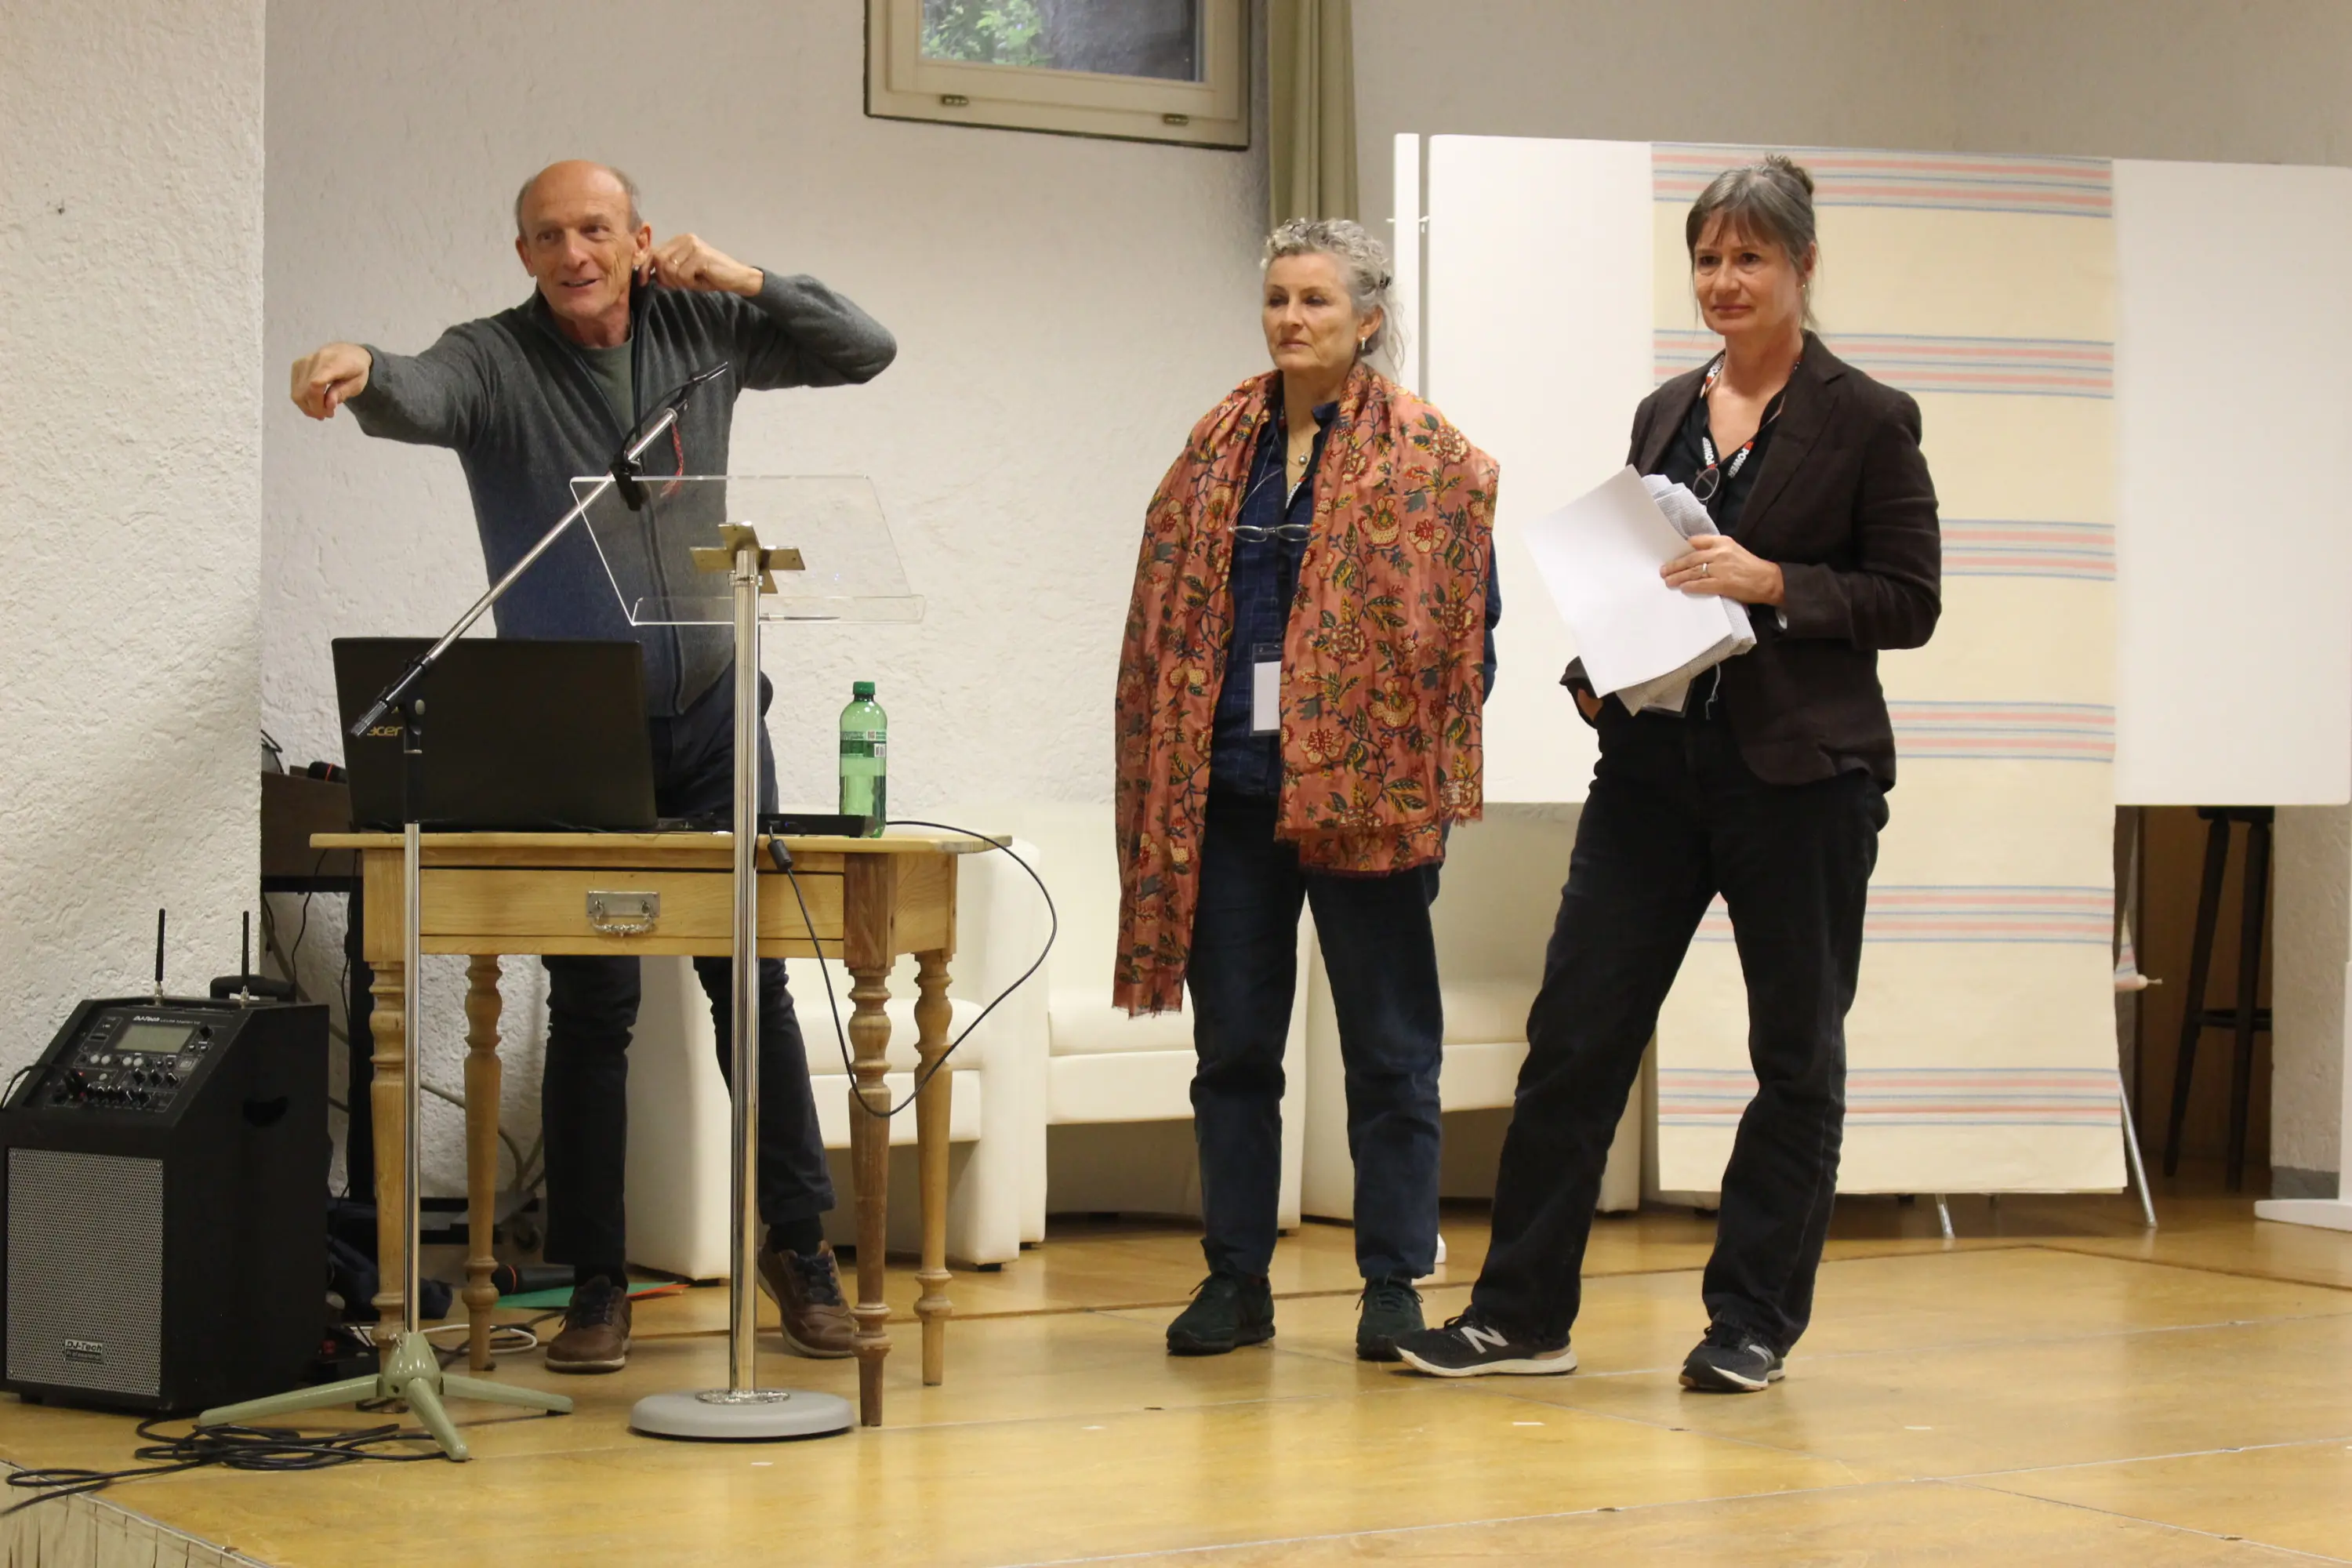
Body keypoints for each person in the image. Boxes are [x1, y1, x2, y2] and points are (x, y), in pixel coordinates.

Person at [290, 160, 897, 1373]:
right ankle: (597, 1286)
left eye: (596, 230)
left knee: (757, 987)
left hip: (721, 708)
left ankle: (800, 1249)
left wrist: (734, 270)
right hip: (579, 726)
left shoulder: (707, 325)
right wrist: (357, 363)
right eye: (549, 236)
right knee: (593, 1008)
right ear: (523, 254)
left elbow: (863, 347)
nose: (574, 252)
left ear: (638, 239)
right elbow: (417, 389)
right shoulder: (498, 357)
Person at [1395, 155, 1940, 1392]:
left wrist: (1776, 585)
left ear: (1805, 266)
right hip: (1651, 767)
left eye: (1751, 257)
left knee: (1795, 1055)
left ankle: (1751, 1321)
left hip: (1800, 779)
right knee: (1576, 1036)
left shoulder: (1867, 417)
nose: (1725, 280)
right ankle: (1518, 1315)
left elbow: (1909, 602)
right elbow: (1653, 576)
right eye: (1708, 258)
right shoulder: (1664, 412)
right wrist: (1602, 665)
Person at [1114, 218, 1501, 1363]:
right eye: (1278, 297)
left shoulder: (1431, 454)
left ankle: (1393, 1282)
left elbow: (1469, 633)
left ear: (1367, 319)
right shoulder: (1215, 444)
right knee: (1235, 1050)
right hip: (1230, 792)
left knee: (1390, 1052)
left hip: (1369, 802)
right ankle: (1236, 1277)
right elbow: (1160, 611)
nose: (1292, 319)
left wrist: (1392, 746)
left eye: (1316, 302)